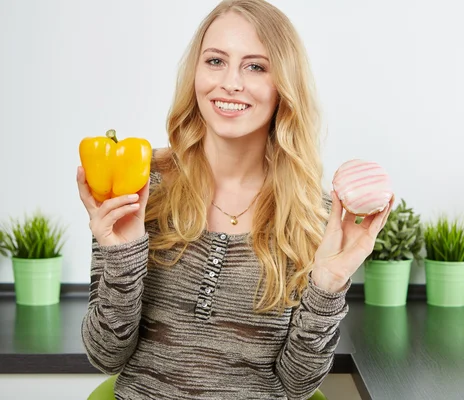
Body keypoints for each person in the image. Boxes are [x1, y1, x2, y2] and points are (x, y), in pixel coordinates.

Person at [76, 0, 393, 399]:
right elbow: (105, 356)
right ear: (196, 71)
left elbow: (298, 385)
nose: (230, 83)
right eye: (215, 61)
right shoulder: (140, 187)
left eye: (255, 66)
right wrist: (122, 257)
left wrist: (327, 286)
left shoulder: (317, 218)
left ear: (284, 87)